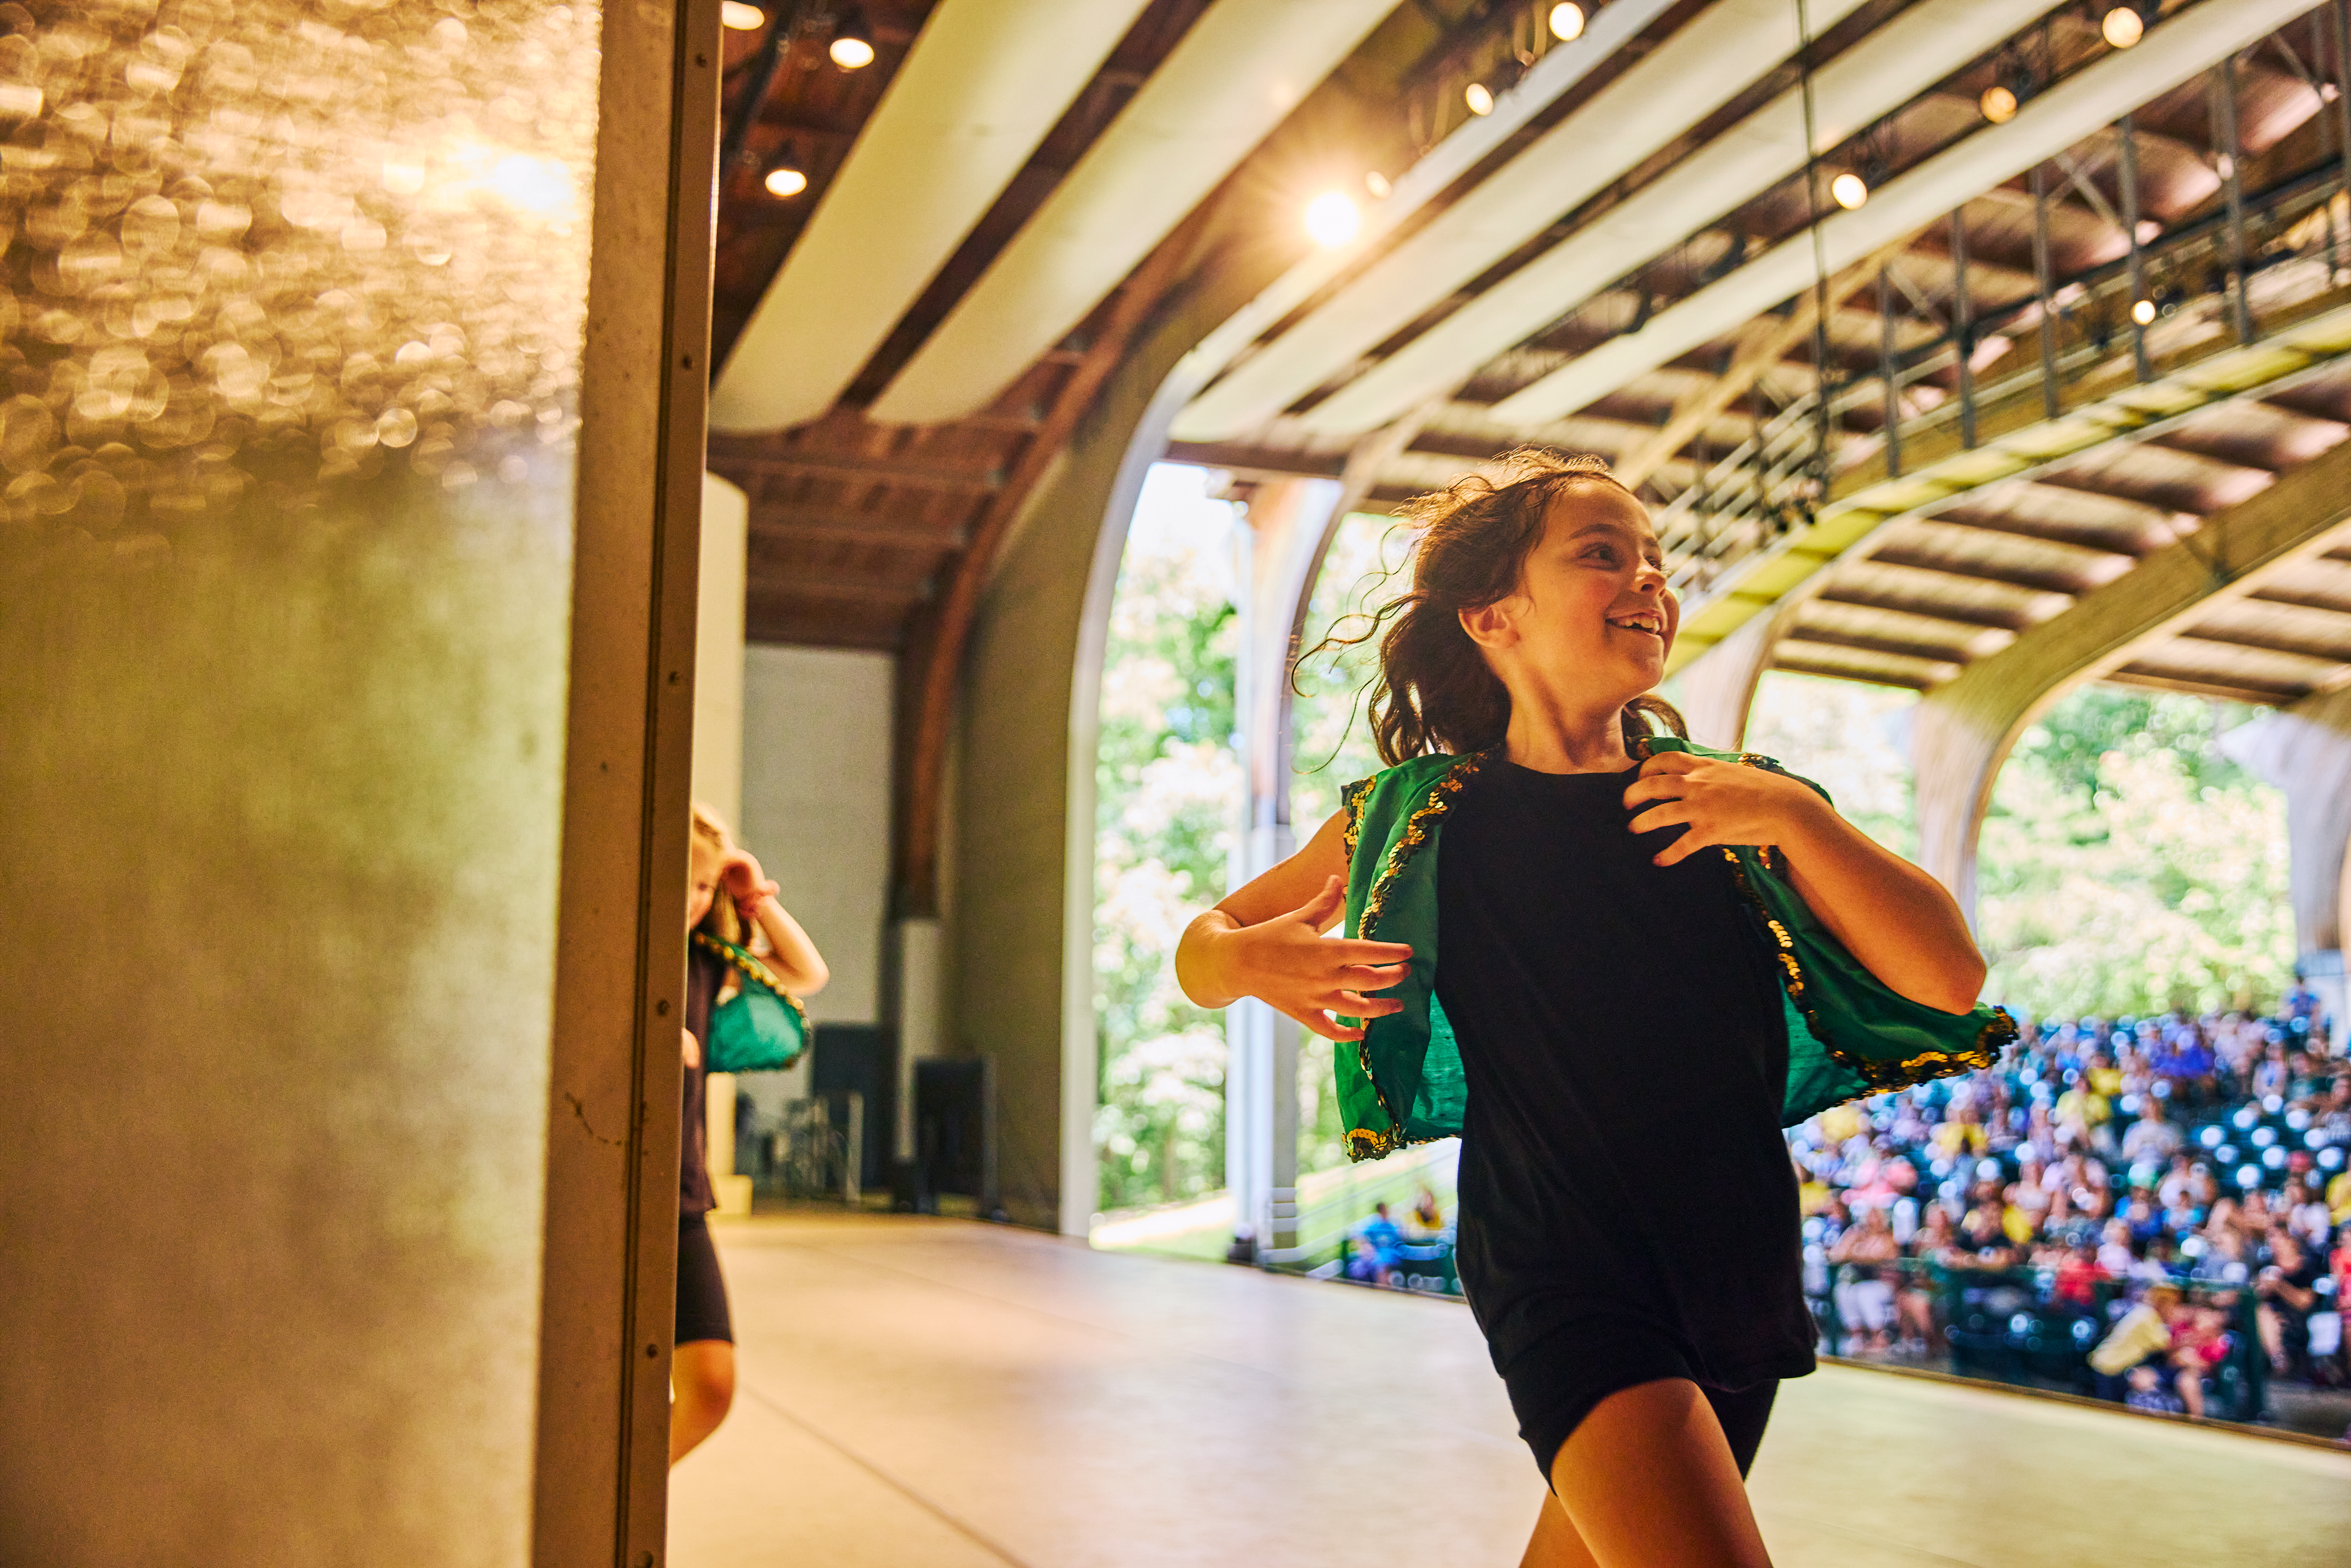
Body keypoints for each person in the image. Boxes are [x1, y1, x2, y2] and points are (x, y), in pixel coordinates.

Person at [1174, 451, 1991, 1568]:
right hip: (1562, 1267)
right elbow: (1203, 948)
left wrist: (1799, 816)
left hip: (1736, 1262)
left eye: (1656, 559)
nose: (1649, 579)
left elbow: (1949, 977)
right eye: (1604, 555)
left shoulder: (1736, 801)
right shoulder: (1423, 817)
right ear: (1493, 615)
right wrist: (1250, 959)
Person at [672, 802, 828, 1465]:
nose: (692, 898)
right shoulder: (601, 939)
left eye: (704, 885)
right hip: (595, 1190)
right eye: (683, 878)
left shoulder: (704, 959)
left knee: (711, 1387)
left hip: (679, 1195)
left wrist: (750, 891)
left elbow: (805, 973)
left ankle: (614, 1502)